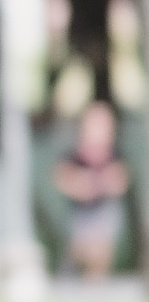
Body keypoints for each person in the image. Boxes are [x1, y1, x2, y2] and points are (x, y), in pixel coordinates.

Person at [53, 100, 130, 278]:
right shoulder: (75, 154)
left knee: (100, 250)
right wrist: (79, 184)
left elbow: (121, 180)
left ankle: (96, 282)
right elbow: (62, 176)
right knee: (81, 249)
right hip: (80, 214)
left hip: (103, 212)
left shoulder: (114, 154)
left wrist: (106, 182)